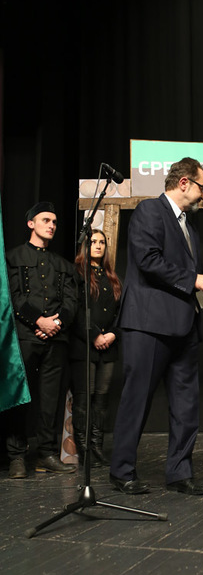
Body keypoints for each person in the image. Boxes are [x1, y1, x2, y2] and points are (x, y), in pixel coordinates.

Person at [109, 158, 203, 495]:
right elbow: (148, 260)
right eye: (202, 187)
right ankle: (122, 471)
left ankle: (180, 473)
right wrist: (195, 279)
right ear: (183, 183)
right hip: (148, 325)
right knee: (137, 400)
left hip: (185, 326)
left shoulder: (190, 227)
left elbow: (189, 281)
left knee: (186, 405)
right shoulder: (150, 210)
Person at [5, 202, 77, 478]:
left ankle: (46, 453)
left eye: (54, 222)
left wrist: (54, 324)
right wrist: (38, 321)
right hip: (25, 337)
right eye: (46, 220)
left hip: (55, 339)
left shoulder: (62, 264)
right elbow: (13, 295)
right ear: (31, 224)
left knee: (50, 398)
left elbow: (70, 301)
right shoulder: (13, 257)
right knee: (21, 398)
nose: (51, 225)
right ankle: (17, 456)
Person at [70, 229, 122, 466]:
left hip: (109, 346)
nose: (98, 246)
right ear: (85, 245)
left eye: (102, 242)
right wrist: (94, 336)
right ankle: (84, 450)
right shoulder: (78, 273)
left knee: (102, 398)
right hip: (85, 345)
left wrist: (113, 334)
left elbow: (121, 311)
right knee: (85, 398)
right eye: (93, 242)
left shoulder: (112, 276)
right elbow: (76, 310)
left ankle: (97, 446)